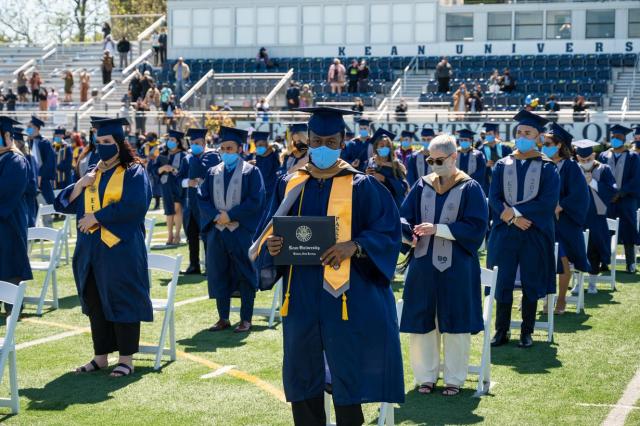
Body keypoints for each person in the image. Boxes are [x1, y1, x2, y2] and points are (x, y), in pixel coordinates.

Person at [250, 107, 404, 425]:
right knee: (303, 374)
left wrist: (356, 245)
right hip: (302, 297)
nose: (323, 147)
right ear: (308, 141)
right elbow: (268, 233)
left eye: (330, 141)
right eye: (316, 140)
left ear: (342, 142)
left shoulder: (363, 187)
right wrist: (274, 247)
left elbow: (389, 233)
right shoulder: (291, 185)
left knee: (347, 375)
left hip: (346, 298)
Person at [54, 117, 152, 377]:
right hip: (90, 250)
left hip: (121, 250)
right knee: (95, 301)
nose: (102, 147)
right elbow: (63, 204)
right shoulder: (92, 172)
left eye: (107, 142)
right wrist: (80, 184)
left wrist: (97, 218)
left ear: (120, 143)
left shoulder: (133, 171)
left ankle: (126, 359)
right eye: (98, 142)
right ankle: (100, 357)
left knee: (123, 299)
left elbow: (135, 206)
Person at [399, 133, 488, 396]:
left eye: (439, 160)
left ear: (454, 157)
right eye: (430, 160)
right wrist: (409, 235)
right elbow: (403, 217)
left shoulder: (470, 187)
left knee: (456, 321)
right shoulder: (422, 185)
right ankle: (425, 377)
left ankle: (454, 379)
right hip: (423, 264)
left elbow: (476, 227)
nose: (434, 165)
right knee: (422, 321)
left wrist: (438, 229)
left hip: (457, 266)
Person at [487, 110, 560, 349]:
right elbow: (494, 198)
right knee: (503, 281)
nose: (522, 136)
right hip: (505, 232)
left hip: (533, 232)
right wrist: (509, 218)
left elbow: (548, 202)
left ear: (538, 137)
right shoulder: (502, 164)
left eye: (527, 133)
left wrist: (515, 213)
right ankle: (501, 331)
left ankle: (526, 331)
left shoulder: (548, 168)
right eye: (519, 132)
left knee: (530, 280)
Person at [198, 126, 265, 333]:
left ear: (240, 149)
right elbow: (202, 198)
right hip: (217, 231)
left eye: (230, 148)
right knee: (219, 273)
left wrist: (231, 215)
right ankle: (223, 318)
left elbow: (256, 200)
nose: (226, 152)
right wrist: (217, 216)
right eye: (223, 148)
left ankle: (246, 319)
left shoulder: (251, 172)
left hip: (241, 231)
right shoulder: (212, 172)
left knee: (245, 273)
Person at [542, 123, 591, 314]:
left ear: (559, 145)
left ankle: (561, 299)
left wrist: (561, 205)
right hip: (543, 223)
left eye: (547, 143)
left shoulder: (571, 167)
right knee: (540, 261)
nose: (544, 146)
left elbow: (580, 194)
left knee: (561, 259)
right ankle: (542, 297)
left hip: (563, 224)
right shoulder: (542, 164)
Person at [571, 139, 616, 293]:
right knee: (577, 249)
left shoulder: (604, 169)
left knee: (594, 249)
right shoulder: (573, 169)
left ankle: (592, 283)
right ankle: (577, 282)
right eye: (582, 160)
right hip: (577, 216)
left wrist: (593, 183)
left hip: (597, 216)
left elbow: (612, 191)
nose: (586, 162)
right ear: (577, 158)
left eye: (589, 159)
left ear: (594, 155)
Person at [0, 117, 33, 313]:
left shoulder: (16, 160)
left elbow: (6, 192)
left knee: (10, 262)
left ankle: (13, 308)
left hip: (9, 222)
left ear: (6, 136)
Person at [598, 125, 640, 273]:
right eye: (614, 137)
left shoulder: (633, 157)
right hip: (607, 200)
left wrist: (621, 193)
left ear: (625, 139)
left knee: (628, 229)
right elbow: (599, 177)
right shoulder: (603, 156)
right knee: (605, 229)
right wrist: (608, 193)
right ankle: (604, 261)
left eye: (619, 137)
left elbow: (636, 179)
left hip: (626, 200)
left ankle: (630, 263)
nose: (616, 139)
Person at [182, 128, 220, 275]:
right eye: (192, 143)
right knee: (191, 235)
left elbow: (210, 175)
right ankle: (194, 264)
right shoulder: (189, 157)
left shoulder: (212, 156)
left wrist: (199, 179)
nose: (193, 145)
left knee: (206, 235)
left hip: (206, 203)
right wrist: (187, 182)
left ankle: (210, 266)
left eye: (197, 143)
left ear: (204, 143)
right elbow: (180, 177)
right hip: (190, 203)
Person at [153, 130, 189, 245]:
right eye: (169, 140)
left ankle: (177, 235)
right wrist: (163, 168)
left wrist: (173, 169)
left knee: (177, 209)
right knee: (168, 211)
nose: (170, 142)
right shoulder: (163, 155)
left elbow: (186, 172)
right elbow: (154, 170)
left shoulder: (184, 156)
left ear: (178, 142)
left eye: (173, 140)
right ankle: (170, 236)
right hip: (166, 186)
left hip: (178, 186)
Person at [365, 128, 409, 207]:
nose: (384, 148)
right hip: (375, 204)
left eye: (387, 146)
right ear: (376, 147)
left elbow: (403, 188)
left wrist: (385, 179)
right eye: (381, 146)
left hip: (392, 205)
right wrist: (366, 176)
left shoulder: (396, 164)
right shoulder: (370, 163)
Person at [26, 116, 57, 205]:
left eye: (29, 127)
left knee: (48, 199)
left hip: (43, 177)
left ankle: (55, 214)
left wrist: (40, 175)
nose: (27, 129)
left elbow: (49, 161)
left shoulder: (44, 142)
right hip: (31, 176)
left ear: (36, 128)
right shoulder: (28, 142)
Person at [13, 128, 39, 228]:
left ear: (19, 143)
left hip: (28, 191)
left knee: (28, 219)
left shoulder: (27, 156)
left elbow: (32, 178)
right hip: (25, 191)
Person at [250, 131, 281, 203]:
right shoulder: (255, 157)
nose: (259, 147)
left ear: (266, 145)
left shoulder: (273, 156)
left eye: (261, 145)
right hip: (258, 192)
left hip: (271, 191)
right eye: (257, 146)